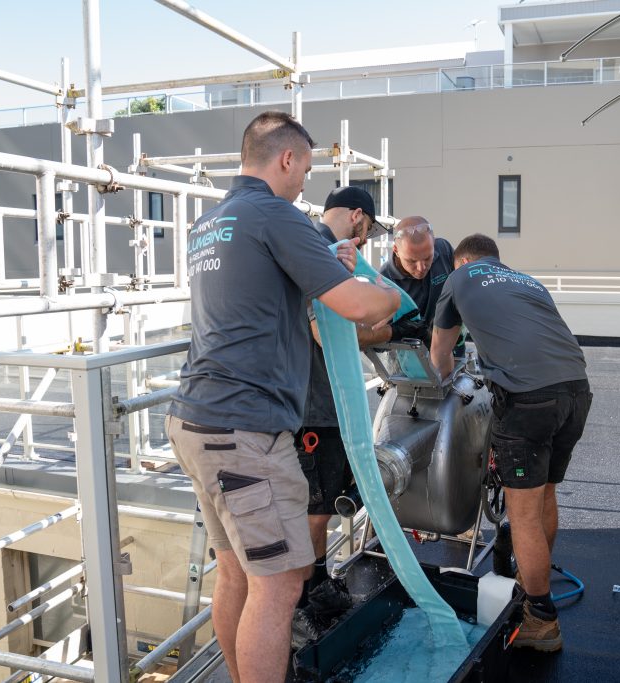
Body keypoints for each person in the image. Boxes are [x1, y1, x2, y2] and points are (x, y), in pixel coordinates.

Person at [166, 111, 400, 683]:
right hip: (246, 429)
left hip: (196, 418)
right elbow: (361, 308)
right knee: (281, 583)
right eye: (306, 170)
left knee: (236, 575)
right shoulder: (276, 213)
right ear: (287, 159)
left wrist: (326, 265)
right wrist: (391, 297)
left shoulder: (211, 221)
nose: (305, 186)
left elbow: (260, 298)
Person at [429, 233, 592, 653]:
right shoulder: (528, 281)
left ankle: (541, 619)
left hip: (528, 400)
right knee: (544, 496)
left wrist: (444, 386)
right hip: (576, 390)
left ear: (463, 259)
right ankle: (530, 584)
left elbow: (440, 352)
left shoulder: (459, 277)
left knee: (521, 516)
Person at [291, 185, 391, 644]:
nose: (366, 241)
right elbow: (320, 330)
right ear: (356, 216)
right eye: (368, 229)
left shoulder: (315, 246)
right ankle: (304, 601)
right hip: (313, 408)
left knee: (321, 506)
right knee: (313, 510)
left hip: (319, 404)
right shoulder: (319, 249)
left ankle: (316, 585)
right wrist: (378, 325)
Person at [372, 217, 459, 352]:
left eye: (427, 258)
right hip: (410, 362)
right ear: (396, 250)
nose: (421, 268)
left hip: (452, 347)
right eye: (412, 261)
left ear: (433, 245)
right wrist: (398, 331)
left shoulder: (444, 250)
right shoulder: (383, 280)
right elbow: (377, 346)